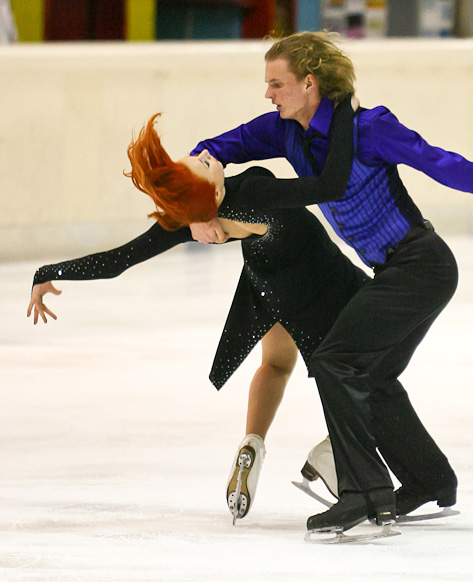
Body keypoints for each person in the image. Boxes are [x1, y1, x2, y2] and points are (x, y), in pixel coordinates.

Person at [187, 31, 473, 533]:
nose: (268, 93)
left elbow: (437, 161)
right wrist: (196, 189)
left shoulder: (369, 128)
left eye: (277, 83)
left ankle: (364, 493)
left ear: (308, 82)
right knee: (370, 376)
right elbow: (219, 145)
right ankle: (430, 481)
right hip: (393, 272)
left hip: (421, 265)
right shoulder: (282, 131)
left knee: (335, 361)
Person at [28, 100, 369, 522]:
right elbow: (324, 184)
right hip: (315, 280)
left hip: (269, 285)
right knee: (362, 364)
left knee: (277, 366)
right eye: (204, 164)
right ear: (213, 191)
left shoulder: (194, 216)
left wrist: (49, 270)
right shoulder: (255, 186)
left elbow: (120, 260)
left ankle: (252, 445)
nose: (208, 155)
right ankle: (334, 454)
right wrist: (342, 120)